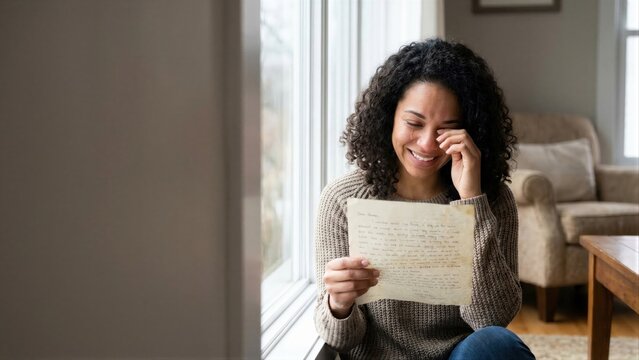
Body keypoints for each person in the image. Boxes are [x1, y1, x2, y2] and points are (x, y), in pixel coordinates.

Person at [314, 38, 535, 359]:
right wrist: (339, 303)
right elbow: (341, 340)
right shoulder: (341, 200)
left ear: (471, 130)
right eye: (414, 123)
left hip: (458, 355)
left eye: (448, 129)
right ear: (388, 117)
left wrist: (471, 201)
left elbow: (492, 319)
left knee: (495, 343)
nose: (428, 144)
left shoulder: (493, 200)